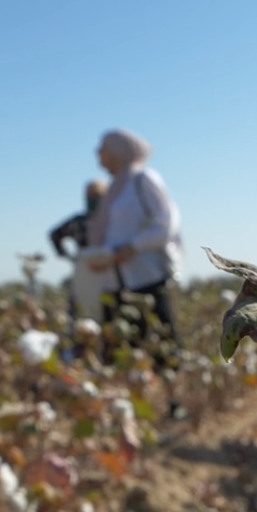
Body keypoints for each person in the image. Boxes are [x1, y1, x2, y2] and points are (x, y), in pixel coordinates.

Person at [84, 129, 183, 357]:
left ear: (118, 151)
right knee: (120, 351)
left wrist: (131, 248)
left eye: (103, 148)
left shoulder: (143, 179)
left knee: (163, 350)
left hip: (146, 278)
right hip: (112, 282)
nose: (98, 153)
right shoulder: (115, 188)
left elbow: (166, 222)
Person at [49, 179, 111, 320]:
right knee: (80, 312)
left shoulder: (114, 220)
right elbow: (55, 234)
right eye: (90, 196)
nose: (93, 199)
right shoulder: (79, 221)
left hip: (110, 271)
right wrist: (67, 256)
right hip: (85, 270)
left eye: (97, 195)